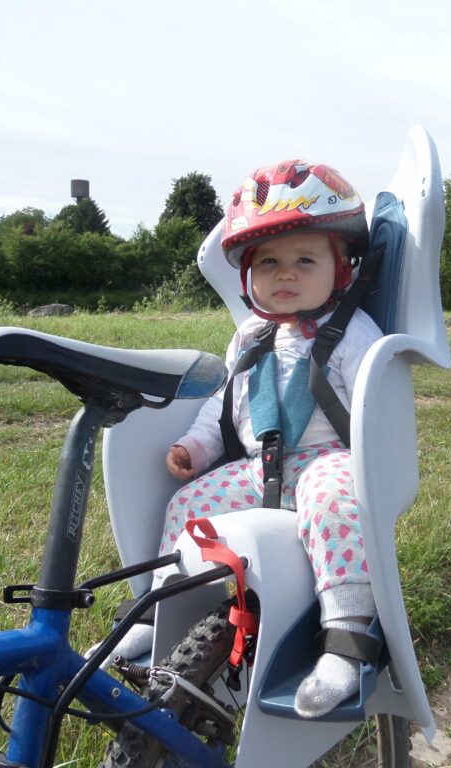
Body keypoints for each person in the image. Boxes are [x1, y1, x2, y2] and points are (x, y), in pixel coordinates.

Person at [112, 159, 383, 718]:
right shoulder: (249, 337)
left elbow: (374, 405)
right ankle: (155, 611)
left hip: (325, 459)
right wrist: (197, 447)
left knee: (339, 496)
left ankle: (347, 635)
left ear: (340, 269)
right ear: (247, 276)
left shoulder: (354, 332)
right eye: (268, 262)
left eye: (304, 260)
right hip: (263, 466)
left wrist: (374, 467)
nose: (285, 274)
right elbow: (222, 405)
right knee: (189, 507)